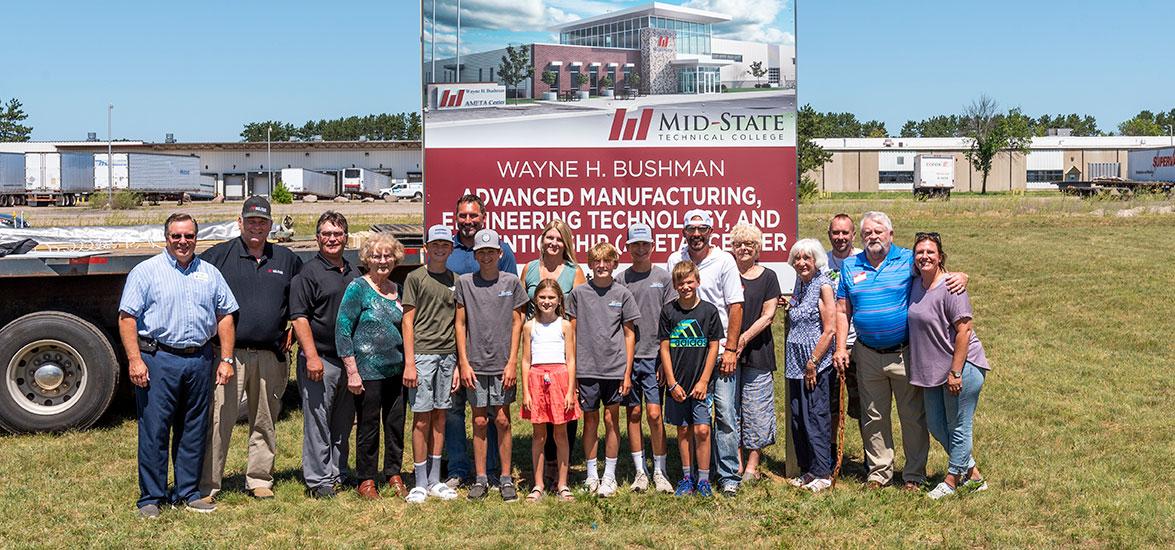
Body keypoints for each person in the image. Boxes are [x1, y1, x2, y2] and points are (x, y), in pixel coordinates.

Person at [833, 211, 968, 490]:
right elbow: (842, 310)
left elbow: (934, 269)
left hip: (905, 353)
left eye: (879, 232)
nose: (873, 237)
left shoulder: (907, 260)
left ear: (890, 235)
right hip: (867, 353)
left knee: (912, 416)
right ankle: (879, 472)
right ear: (861, 237)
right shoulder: (850, 266)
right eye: (868, 232)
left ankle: (914, 475)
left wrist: (961, 275)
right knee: (874, 416)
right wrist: (840, 347)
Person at [118, 213, 238, 518]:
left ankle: (187, 492)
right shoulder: (146, 272)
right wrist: (135, 360)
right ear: (166, 238)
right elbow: (127, 318)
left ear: (196, 238)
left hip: (199, 359)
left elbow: (225, 315)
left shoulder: (210, 273)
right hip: (159, 359)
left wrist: (225, 358)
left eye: (188, 236)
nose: (183, 242)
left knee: (193, 428)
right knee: (155, 430)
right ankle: (151, 497)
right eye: (176, 236)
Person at [197, 196, 302, 503]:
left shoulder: (286, 259)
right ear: (239, 222)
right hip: (230, 356)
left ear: (271, 225)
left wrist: (294, 329)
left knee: (265, 419)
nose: (257, 227)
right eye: (251, 221)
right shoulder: (218, 257)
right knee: (220, 419)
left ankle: (259, 478)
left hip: (271, 354)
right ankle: (208, 484)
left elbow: (300, 300)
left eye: (263, 222)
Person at [665, 209, 744, 497]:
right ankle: (695, 475)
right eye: (691, 229)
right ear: (684, 232)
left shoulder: (724, 260)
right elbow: (672, 309)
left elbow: (735, 305)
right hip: (685, 355)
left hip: (719, 351)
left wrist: (731, 348)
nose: (696, 234)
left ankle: (727, 475)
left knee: (724, 413)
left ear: (711, 231)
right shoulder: (676, 259)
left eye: (702, 229)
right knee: (689, 421)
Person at [907, 232, 990, 500]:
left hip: (961, 367)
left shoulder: (952, 287)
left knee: (958, 426)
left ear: (940, 256)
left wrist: (956, 372)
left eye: (930, 252)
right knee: (936, 424)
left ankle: (952, 480)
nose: (925, 256)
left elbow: (964, 331)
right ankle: (974, 476)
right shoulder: (916, 283)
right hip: (932, 371)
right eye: (920, 252)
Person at [444, 194, 516, 488]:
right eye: (463, 216)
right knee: (453, 409)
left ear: (483, 218)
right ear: (456, 217)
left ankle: (489, 471)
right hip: (450, 342)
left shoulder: (504, 252)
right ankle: (459, 469)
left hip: (490, 348)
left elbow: (510, 303)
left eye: (473, 216)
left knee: (493, 413)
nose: (468, 221)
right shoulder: (446, 249)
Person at [455, 228, 528, 501]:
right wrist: (463, 362)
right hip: (474, 363)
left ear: (500, 254)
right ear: (475, 255)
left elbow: (517, 322)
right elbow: (460, 324)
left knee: (502, 419)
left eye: (491, 251)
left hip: (501, 364)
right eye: (481, 252)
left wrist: (511, 363)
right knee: (479, 420)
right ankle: (481, 477)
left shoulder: (511, 282)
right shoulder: (465, 283)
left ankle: (506, 478)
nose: (486, 256)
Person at [290, 211, 357, 499]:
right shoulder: (308, 273)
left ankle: (338, 471)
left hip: (349, 362)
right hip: (321, 359)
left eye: (338, 234)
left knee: (343, 421)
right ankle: (319, 480)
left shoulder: (353, 272)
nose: (332, 239)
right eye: (327, 234)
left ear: (346, 238)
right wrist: (312, 356)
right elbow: (299, 317)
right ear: (318, 238)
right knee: (318, 420)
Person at [336, 233, 409, 500]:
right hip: (366, 373)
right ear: (367, 258)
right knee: (368, 426)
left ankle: (394, 473)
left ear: (395, 258)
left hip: (396, 371)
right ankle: (366, 479)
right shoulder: (358, 287)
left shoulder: (397, 290)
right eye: (377, 256)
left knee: (395, 424)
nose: (382, 260)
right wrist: (352, 371)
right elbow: (342, 329)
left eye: (387, 255)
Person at [568, 242, 640, 498]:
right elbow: (572, 334)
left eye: (607, 261)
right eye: (596, 261)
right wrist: (572, 372)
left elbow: (630, 335)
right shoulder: (578, 294)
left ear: (614, 264)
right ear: (590, 264)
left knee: (611, 420)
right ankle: (591, 475)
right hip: (587, 369)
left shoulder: (623, 294)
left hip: (615, 369)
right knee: (590, 420)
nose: (601, 266)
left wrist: (627, 372)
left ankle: (609, 475)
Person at [519, 218, 585, 488]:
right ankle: (544, 466)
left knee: (563, 415)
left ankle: (560, 469)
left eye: (559, 238)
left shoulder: (574, 271)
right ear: (542, 240)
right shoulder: (530, 269)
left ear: (565, 243)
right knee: (540, 414)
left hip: (562, 346)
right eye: (549, 238)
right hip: (536, 350)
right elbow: (522, 309)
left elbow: (578, 315)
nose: (553, 243)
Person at [400, 225, 462, 503]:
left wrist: (459, 364)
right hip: (423, 356)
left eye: (444, 245)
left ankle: (436, 478)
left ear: (451, 249)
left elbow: (460, 324)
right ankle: (420, 480)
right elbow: (407, 321)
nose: (439, 249)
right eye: (435, 245)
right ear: (427, 247)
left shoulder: (456, 280)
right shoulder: (415, 277)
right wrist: (410, 362)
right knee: (422, 417)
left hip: (448, 356)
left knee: (441, 416)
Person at [617, 223, 677, 493]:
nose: (640, 249)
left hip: (655, 357)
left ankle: (660, 470)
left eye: (645, 244)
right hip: (628, 359)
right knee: (634, 413)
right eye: (635, 245)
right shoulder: (620, 279)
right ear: (627, 248)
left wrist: (667, 362)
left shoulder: (664, 278)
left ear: (652, 246)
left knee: (654, 413)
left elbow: (671, 320)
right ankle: (641, 471)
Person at [659, 261, 723, 497]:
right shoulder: (669, 311)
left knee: (703, 430)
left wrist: (704, 381)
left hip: (700, 384)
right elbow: (664, 348)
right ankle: (687, 477)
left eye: (689, 282)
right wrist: (672, 382)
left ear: (697, 282)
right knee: (684, 431)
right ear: (674, 285)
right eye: (681, 283)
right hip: (678, 384)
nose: (686, 286)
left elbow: (714, 346)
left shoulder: (709, 311)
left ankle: (704, 480)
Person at [729, 223, 781, 484]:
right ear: (732, 248)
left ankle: (753, 463)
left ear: (757, 248)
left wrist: (744, 338)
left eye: (749, 244)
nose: (744, 248)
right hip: (729, 352)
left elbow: (769, 315)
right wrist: (731, 343)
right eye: (739, 244)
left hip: (758, 351)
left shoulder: (768, 276)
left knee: (757, 408)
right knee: (731, 408)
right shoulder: (727, 273)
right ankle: (735, 461)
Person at [520, 279, 580, 502]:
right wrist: (526, 391)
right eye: (542, 297)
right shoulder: (529, 326)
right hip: (536, 380)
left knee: (561, 434)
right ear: (535, 299)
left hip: (560, 380)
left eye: (551, 298)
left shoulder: (565, 325)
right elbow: (525, 360)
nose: (547, 302)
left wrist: (570, 390)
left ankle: (562, 483)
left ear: (559, 300)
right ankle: (538, 484)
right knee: (538, 435)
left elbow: (571, 359)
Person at [784, 239, 837, 492]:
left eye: (807, 258)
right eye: (797, 258)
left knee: (816, 417)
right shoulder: (800, 283)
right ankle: (808, 471)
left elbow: (830, 330)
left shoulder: (823, 285)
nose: (802, 263)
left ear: (816, 260)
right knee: (798, 417)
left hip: (814, 364)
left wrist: (813, 362)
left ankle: (823, 473)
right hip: (795, 363)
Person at [826, 213, 863, 433]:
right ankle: (831, 455)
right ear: (829, 235)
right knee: (831, 405)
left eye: (845, 233)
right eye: (836, 232)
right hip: (831, 345)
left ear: (853, 235)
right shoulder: (821, 262)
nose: (840, 237)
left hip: (860, 344)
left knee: (864, 405)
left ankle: (871, 458)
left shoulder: (864, 259)